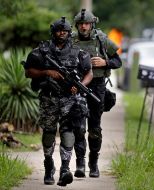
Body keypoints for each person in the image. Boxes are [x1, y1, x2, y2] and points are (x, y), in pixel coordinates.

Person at [24, 16, 93, 186]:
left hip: (70, 99)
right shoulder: (42, 51)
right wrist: (47, 72)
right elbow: (28, 71)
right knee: (48, 132)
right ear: (53, 32)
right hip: (49, 98)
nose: (61, 33)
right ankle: (49, 164)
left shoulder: (78, 52)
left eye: (65, 31)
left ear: (70, 32)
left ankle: (64, 168)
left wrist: (80, 85)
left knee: (68, 131)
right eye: (58, 30)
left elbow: (89, 72)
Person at [72, 9, 122, 178]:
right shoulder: (71, 40)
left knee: (94, 127)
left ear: (92, 24)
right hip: (77, 85)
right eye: (81, 24)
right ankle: (80, 163)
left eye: (86, 23)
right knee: (78, 127)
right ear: (77, 25)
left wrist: (105, 62)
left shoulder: (101, 39)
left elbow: (118, 61)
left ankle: (93, 164)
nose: (84, 26)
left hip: (97, 86)